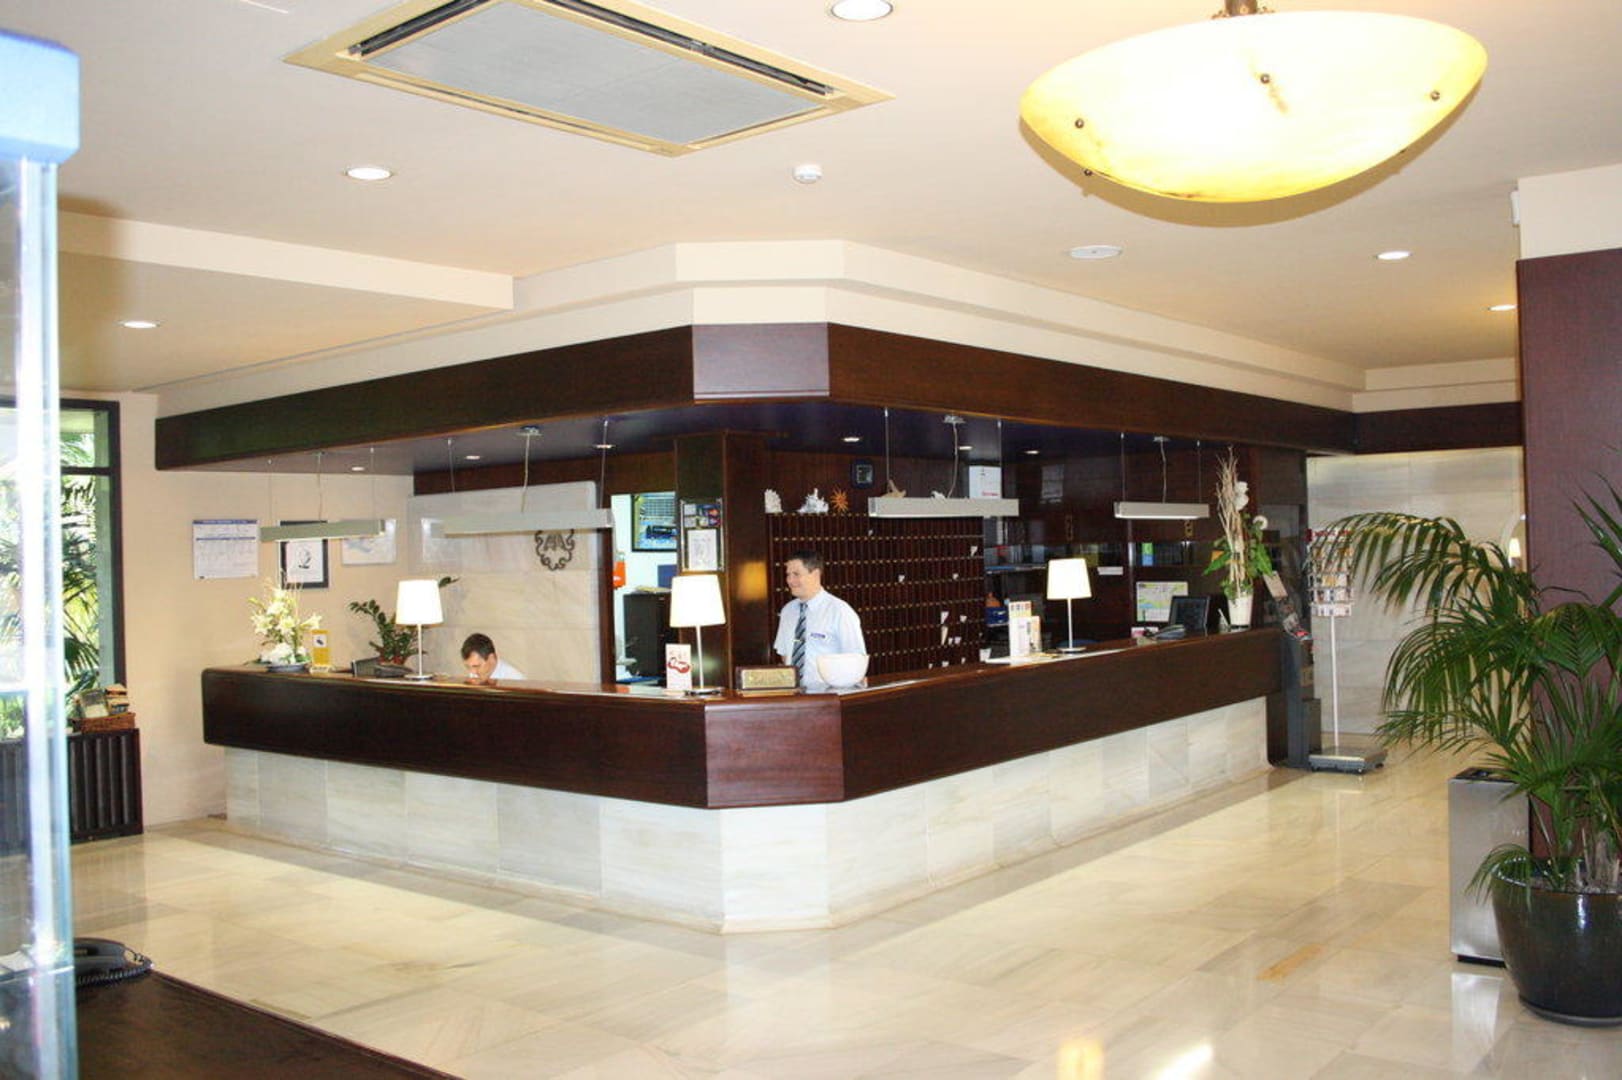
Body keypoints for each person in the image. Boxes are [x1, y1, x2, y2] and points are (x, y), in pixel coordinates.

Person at [773, 550, 865, 687]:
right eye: (788, 575)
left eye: (796, 574)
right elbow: (785, 654)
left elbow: (856, 660)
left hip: (830, 694)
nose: (790, 581)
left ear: (815, 575)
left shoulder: (839, 611)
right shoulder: (787, 611)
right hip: (795, 694)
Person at [461, 633, 525, 683]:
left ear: (491, 659)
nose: (473, 672)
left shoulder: (516, 680)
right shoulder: (475, 676)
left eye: (476, 666)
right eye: (468, 667)